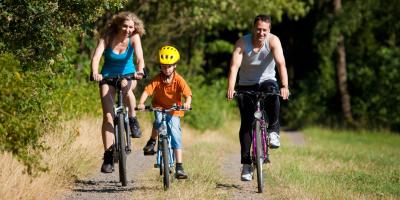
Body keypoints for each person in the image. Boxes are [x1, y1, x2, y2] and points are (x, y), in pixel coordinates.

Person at [226, 14, 290, 181]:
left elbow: (281, 64)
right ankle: (246, 164)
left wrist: (284, 86)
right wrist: (231, 88)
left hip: (267, 81)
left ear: (269, 31)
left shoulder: (273, 41)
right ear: (253, 28)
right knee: (246, 123)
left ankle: (274, 132)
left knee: (273, 94)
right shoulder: (242, 43)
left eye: (265, 30)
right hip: (246, 84)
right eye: (258, 29)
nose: (261, 33)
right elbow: (234, 67)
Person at [91, 11, 146, 173]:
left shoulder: (134, 38)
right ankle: (108, 156)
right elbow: (96, 58)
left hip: (129, 75)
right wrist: (95, 72)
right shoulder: (108, 36)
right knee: (108, 116)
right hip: (108, 76)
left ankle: (132, 119)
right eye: (125, 26)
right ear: (118, 25)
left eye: (131, 27)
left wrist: (140, 70)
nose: (128, 30)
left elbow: (140, 58)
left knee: (125, 85)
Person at [137, 45, 192, 179]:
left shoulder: (178, 79)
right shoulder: (157, 78)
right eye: (163, 66)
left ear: (175, 66)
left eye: (169, 66)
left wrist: (187, 103)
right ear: (160, 66)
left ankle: (179, 166)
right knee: (157, 122)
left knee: (175, 134)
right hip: (159, 107)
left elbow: (188, 94)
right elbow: (147, 91)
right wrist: (141, 103)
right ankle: (152, 141)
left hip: (174, 110)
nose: (166, 69)